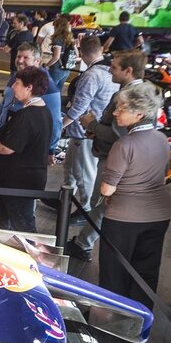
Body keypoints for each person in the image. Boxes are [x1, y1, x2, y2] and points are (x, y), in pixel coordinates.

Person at [96, 83, 171, 309]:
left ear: (139, 114)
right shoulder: (161, 139)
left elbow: (107, 189)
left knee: (114, 271)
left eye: (121, 108)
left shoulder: (124, 143)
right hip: (159, 214)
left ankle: (111, 320)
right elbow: (164, 176)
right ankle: (139, 320)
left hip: (124, 217)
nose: (116, 112)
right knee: (145, 271)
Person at [69, 49, 147, 261]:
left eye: (114, 67)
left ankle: (83, 244)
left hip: (115, 159)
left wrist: (91, 123)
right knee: (101, 204)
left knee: (103, 205)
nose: (109, 70)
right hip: (114, 156)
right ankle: (83, 242)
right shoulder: (136, 91)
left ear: (128, 70)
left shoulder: (129, 95)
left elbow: (117, 133)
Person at [0, 67, 52, 232]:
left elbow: (7, 148)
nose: (13, 87)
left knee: (24, 224)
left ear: (29, 87)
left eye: (17, 83)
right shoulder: (44, 111)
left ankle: (35, 256)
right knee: (2, 215)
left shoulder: (27, 116)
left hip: (20, 181)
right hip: (22, 179)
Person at [61, 36, 118, 225]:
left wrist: (60, 125)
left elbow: (79, 108)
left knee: (83, 173)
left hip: (84, 132)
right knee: (70, 167)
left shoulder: (91, 75)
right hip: (93, 131)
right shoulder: (108, 72)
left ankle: (84, 209)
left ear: (82, 53)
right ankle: (66, 199)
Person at [0, 43, 62, 152]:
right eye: (18, 56)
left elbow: (55, 120)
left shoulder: (47, 85)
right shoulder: (17, 76)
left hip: (24, 145)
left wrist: (51, 149)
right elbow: (5, 103)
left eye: (26, 57)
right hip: (4, 138)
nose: (20, 61)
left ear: (37, 61)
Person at [44, 17, 74, 90]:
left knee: (50, 90)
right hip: (67, 69)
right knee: (58, 91)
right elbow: (76, 53)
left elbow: (56, 57)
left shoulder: (58, 39)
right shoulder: (70, 38)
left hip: (57, 69)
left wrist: (46, 65)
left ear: (58, 27)